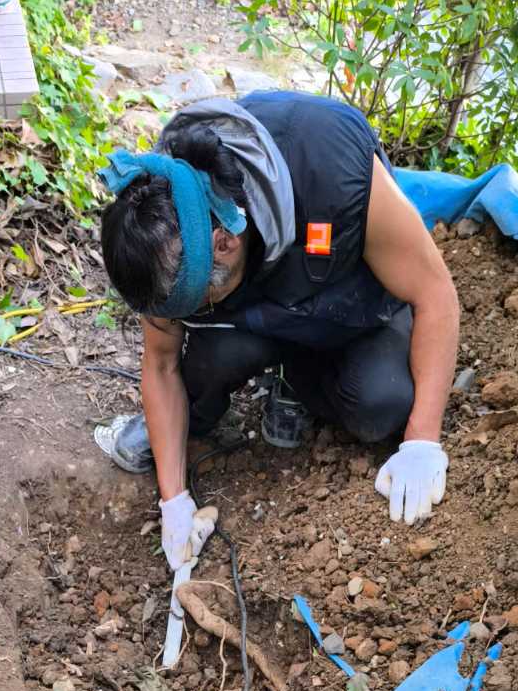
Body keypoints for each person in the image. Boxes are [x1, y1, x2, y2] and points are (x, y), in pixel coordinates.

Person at [97, 90, 461, 574]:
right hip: (258, 311)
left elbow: (436, 293)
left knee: (382, 404)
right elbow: (161, 362)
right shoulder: (163, 216)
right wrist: (174, 501)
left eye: (194, 306)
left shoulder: (333, 168)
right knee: (204, 364)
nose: (172, 322)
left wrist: (422, 440)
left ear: (224, 244)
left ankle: (296, 380)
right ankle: (189, 426)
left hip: (348, 304)